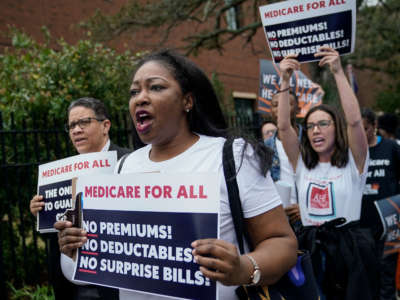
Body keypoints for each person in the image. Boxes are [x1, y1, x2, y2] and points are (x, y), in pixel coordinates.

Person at [55, 49, 298, 300]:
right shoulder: (123, 167)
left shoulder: (232, 156)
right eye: (134, 91)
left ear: (187, 101)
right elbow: (99, 266)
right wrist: (76, 248)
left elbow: (283, 243)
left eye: (156, 87)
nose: (140, 98)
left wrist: (244, 268)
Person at [277, 47, 378, 300]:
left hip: (349, 250)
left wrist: (337, 71)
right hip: (311, 247)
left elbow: (355, 122)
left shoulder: (354, 163)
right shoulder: (301, 164)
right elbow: (283, 127)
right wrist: (285, 80)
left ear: (336, 127)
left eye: (323, 123)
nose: (315, 130)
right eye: (310, 126)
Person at [30, 97, 131, 300]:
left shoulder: (131, 163)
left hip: (113, 287)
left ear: (105, 125)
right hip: (70, 287)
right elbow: (55, 230)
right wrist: (40, 213)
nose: (76, 130)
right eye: (71, 125)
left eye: (83, 122)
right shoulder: (61, 171)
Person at [361, 107, 400, 300]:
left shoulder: (391, 147)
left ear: (374, 127)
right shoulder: (353, 153)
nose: (361, 133)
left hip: (389, 222)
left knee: (387, 273)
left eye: (365, 128)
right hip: (362, 225)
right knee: (366, 273)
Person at [264, 90, 301, 225]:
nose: (281, 108)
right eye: (276, 104)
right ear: (270, 110)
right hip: (280, 220)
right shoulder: (265, 147)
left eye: (287, 103)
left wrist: (307, 208)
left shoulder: (311, 142)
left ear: (298, 109)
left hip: (307, 219)